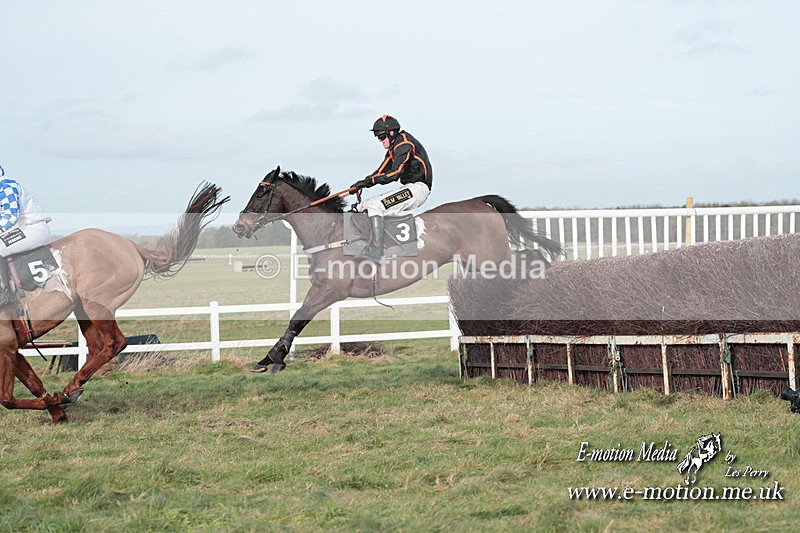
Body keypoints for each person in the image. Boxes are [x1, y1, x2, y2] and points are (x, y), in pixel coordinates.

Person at [350, 115, 433, 262]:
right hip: (410, 187)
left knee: (375, 206)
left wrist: (370, 181)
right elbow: (380, 171)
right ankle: (365, 244)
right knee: (365, 205)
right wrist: (361, 183)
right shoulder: (394, 148)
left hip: (418, 189)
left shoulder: (404, 145)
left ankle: (376, 251)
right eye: (378, 137)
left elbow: (395, 174)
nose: (380, 140)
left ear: (392, 133)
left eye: (381, 137)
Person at [0, 163, 53, 306]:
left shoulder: (6, 186)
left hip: (33, 228)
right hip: (21, 229)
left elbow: (10, 217)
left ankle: (6, 295)